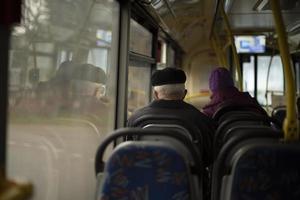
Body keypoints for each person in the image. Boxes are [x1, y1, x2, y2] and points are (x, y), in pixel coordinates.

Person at [127, 67, 215, 164]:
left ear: (155, 95)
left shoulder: (135, 118)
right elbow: (208, 157)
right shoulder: (201, 120)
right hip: (188, 177)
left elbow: (130, 152)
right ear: (184, 94)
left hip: (145, 175)